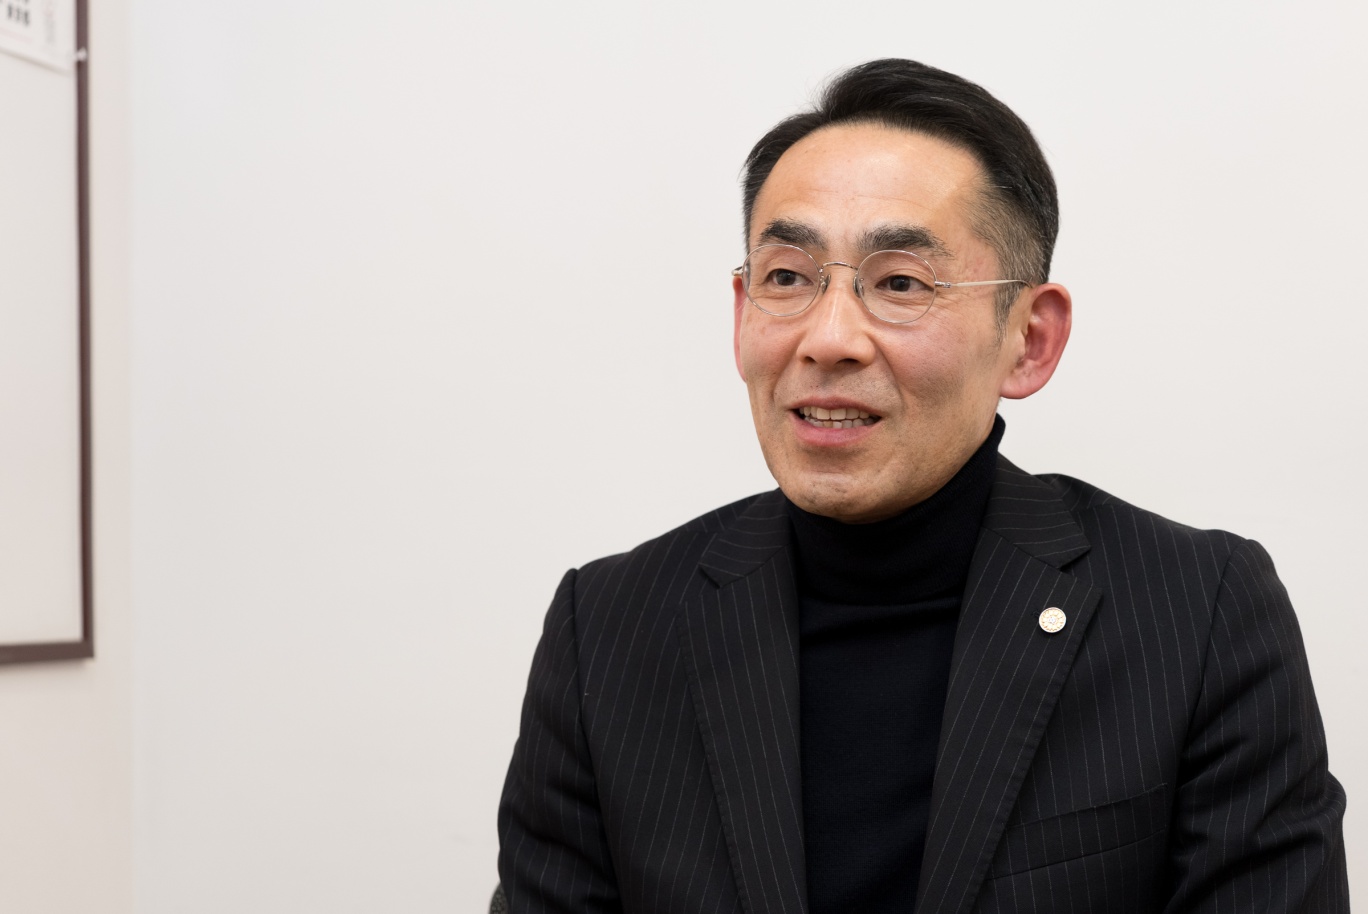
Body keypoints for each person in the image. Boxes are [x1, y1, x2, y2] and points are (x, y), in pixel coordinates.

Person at [496, 59, 1348, 913]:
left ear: (1030, 340)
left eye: (900, 283)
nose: (829, 339)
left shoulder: (1198, 616)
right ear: (742, 311)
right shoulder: (606, 630)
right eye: (787, 278)